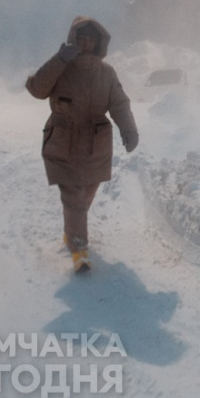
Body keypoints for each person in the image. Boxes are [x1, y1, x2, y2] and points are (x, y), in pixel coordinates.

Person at [25, 16, 139, 272]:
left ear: (99, 43)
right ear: (73, 39)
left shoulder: (107, 73)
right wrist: (59, 59)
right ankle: (79, 250)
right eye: (81, 38)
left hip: (95, 144)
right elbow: (36, 89)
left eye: (91, 39)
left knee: (85, 195)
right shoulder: (61, 66)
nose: (86, 44)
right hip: (62, 141)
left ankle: (72, 230)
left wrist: (129, 129)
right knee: (74, 196)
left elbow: (119, 103)